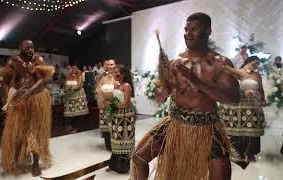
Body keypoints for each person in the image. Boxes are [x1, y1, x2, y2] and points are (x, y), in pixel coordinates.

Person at [131, 12, 240, 180]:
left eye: (194, 29)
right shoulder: (176, 63)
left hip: (207, 127)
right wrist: (163, 92)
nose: (188, 33)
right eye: (186, 29)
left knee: (222, 174)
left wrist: (200, 84)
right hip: (175, 124)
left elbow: (234, 98)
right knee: (138, 157)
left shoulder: (221, 63)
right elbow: (160, 98)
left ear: (208, 31)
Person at [0, 40, 54, 176]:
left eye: (32, 47)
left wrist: (28, 92)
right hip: (18, 99)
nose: (30, 49)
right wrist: (5, 97)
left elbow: (41, 79)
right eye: (27, 47)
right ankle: (18, 160)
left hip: (36, 98)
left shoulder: (38, 60)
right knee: (17, 132)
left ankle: (35, 163)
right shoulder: (13, 61)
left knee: (36, 132)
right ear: (20, 48)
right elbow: (5, 81)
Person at [220, 56, 266, 165]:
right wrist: (243, 91)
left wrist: (263, 99)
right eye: (255, 63)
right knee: (237, 128)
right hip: (239, 105)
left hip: (254, 105)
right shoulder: (237, 72)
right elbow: (231, 87)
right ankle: (237, 152)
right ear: (249, 61)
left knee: (254, 129)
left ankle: (251, 153)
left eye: (258, 64)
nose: (256, 66)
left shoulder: (257, 75)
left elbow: (261, 89)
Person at [107, 64, 135, 173]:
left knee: (124, 139)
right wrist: (111, 103)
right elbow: (114, 98)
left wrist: (114, 106)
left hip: (125, 116)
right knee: (116, 139)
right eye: (114, 73)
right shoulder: (117, 85)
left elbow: (126, 103)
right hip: (116, 116)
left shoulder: (127, 86)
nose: (115, 75)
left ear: (123, 75)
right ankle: (114, 165)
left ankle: (123, 166)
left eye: (117, 73)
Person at [96, 59, 116, 150]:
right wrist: (103, 99)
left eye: (112, 64)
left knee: (115, 125)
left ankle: (116, 144)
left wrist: (113, 100)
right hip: (104, 104)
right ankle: (108, 144)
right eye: (108, 65)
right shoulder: (102, 77)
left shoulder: (118, 75)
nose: (110, 66)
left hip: (115, 105)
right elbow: (98, 89)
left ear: (115, 65)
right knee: (106, 126)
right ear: (106, 66)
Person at [63, 64, 89, 131]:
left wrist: (71, 88)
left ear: (78, 69)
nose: (74, 69)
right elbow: (65, 84)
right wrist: (67, 89)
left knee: (78, 112)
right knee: (71, 112)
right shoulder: (68, 76)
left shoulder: (80, 75)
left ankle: (77, 127)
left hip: (78, 95)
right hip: (70, 96)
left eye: (75, 68)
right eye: (72, 68)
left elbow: (79, 85)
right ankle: (70, 126)